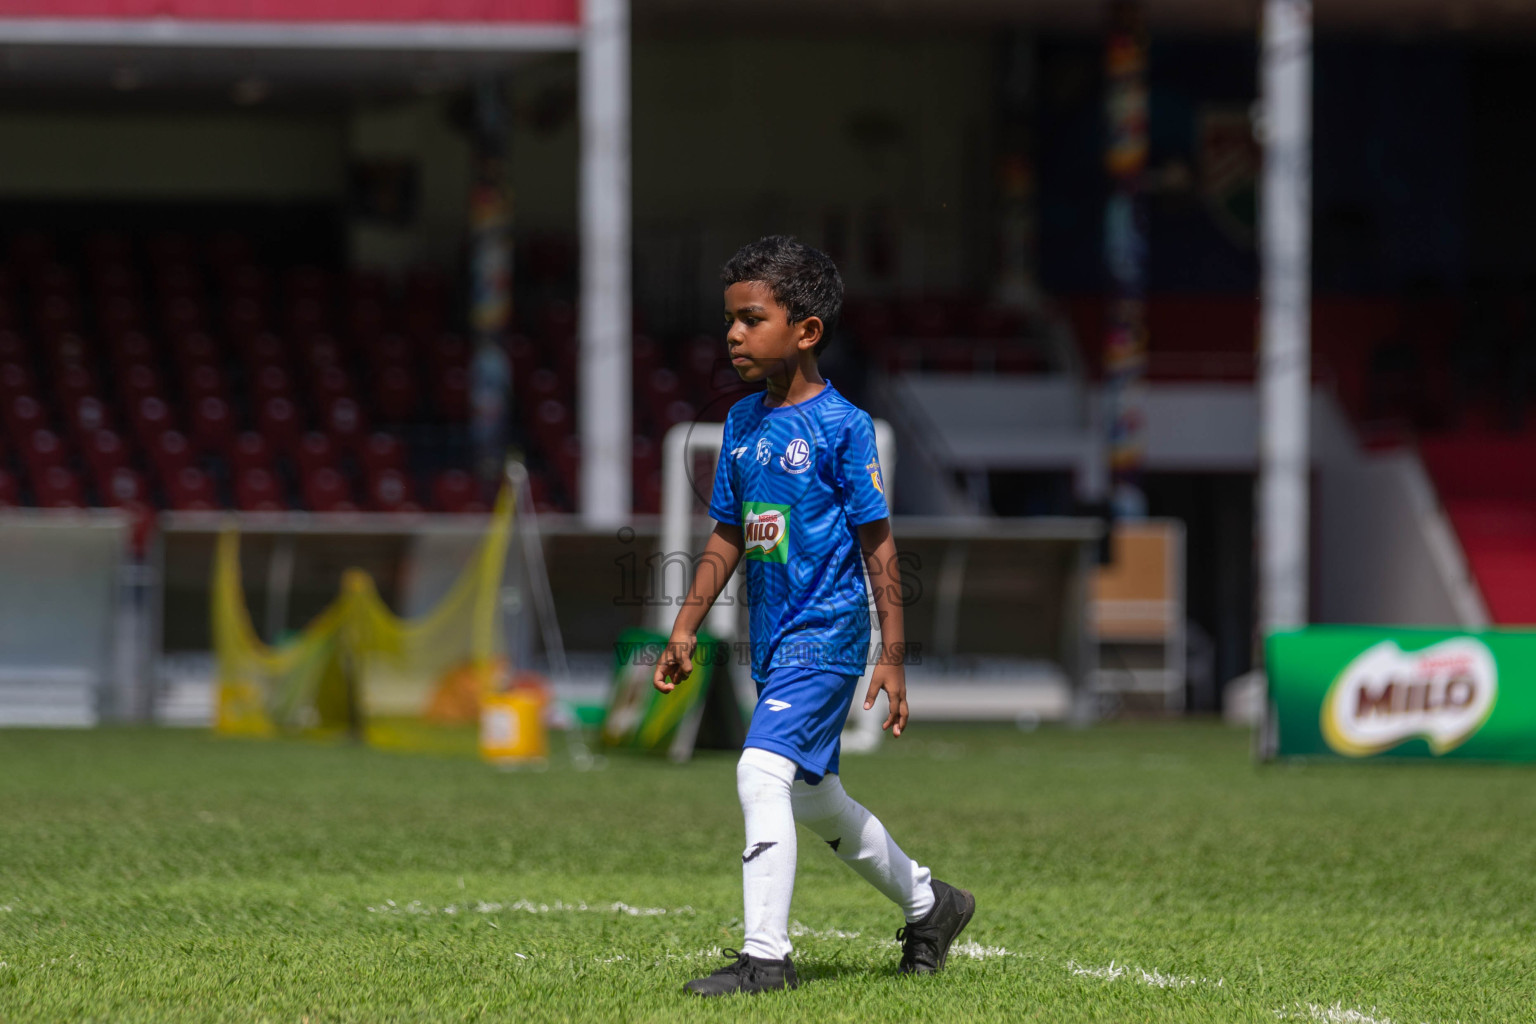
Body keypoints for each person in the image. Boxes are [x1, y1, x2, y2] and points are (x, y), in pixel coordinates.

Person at [652, 235, 974, 996]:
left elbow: (880, 545)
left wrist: (891, 653)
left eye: (751, 319)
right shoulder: (739, 426)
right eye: (729, 320)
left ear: (806, 332)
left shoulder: (843, 426)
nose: (732, 334)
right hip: (771, 642)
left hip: (827, 638)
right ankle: (932, 905)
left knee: (759, 772)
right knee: (814, 797)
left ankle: (767, 960)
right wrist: (685, 625)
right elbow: (727, 533)